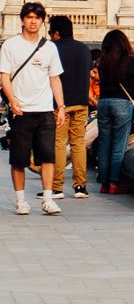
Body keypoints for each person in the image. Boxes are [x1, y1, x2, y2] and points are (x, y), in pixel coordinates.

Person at [3, 2, 66, 215]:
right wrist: (12, 99)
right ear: (22, 20)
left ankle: (47, 199)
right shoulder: (10, 45)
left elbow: (55, 78)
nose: (33, 21)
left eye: (37, 18)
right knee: (19, 159)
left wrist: (61, 107)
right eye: (29, 17)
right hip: (21, 110)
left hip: (45, 110)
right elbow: (4, 76)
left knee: (48, 156)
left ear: (42, 21)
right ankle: (20, 200)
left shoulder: (50, 47)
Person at [93, 28, 134, 195]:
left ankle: (103, 183)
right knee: (118, 145)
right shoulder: (130, 61)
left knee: (104, 144)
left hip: (103, 103)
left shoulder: (102, 62)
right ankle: (114, 183)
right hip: (122, 103)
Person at [47, 15, 94, 198]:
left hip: (60, 105)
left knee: (59, 144)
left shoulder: (53, 49)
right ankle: (80, 186)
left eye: (51, 33)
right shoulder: (84, 49)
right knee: (78, 144)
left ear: (56, 33)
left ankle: (57, 187)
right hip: (81, 102)